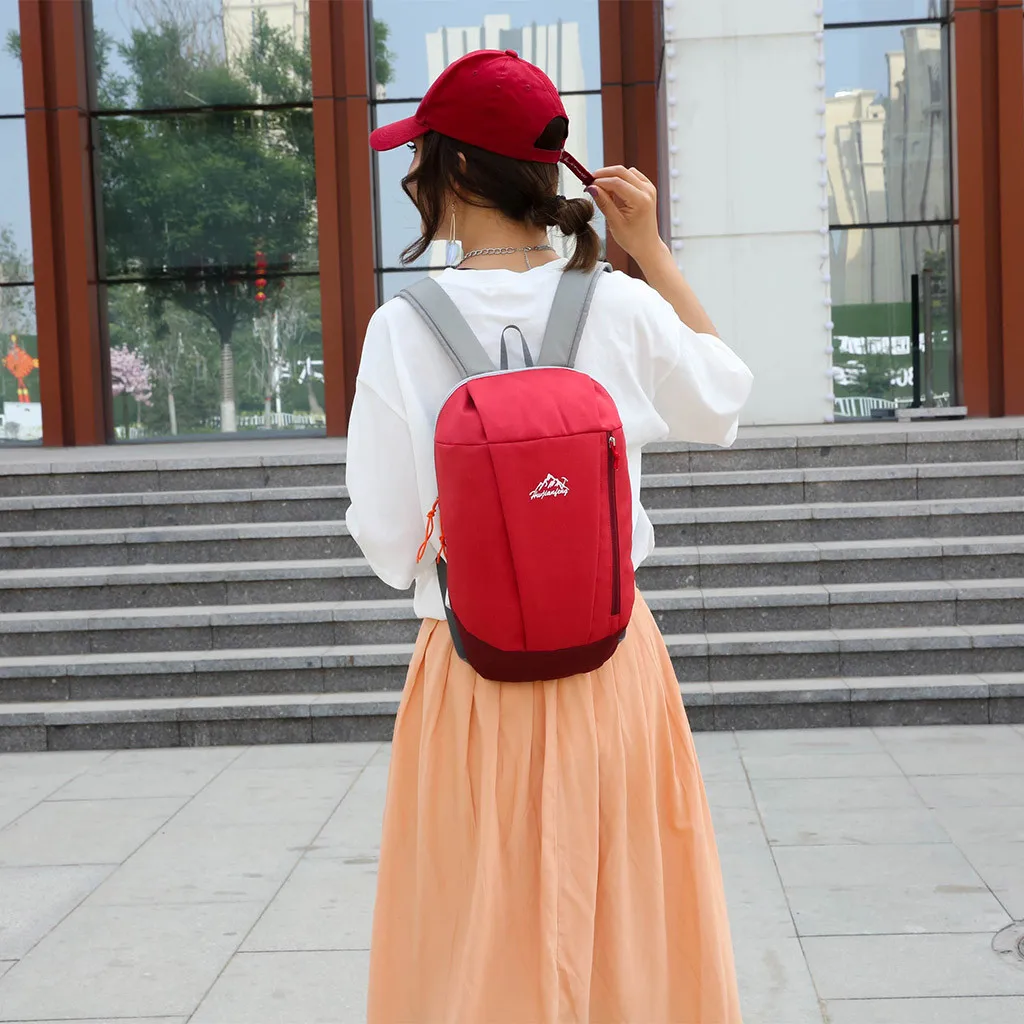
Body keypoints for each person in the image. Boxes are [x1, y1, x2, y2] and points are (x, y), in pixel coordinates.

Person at [347, 48, 753, 1024]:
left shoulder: (402, 327)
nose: (412, 177)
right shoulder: (619, 302)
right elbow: (724, 401)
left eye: (419, 158)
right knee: (623, 915)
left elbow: (390, 541)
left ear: (454, 167)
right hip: (611, 660)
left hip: (470, 665)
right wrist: (649, 249)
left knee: (476, 927)